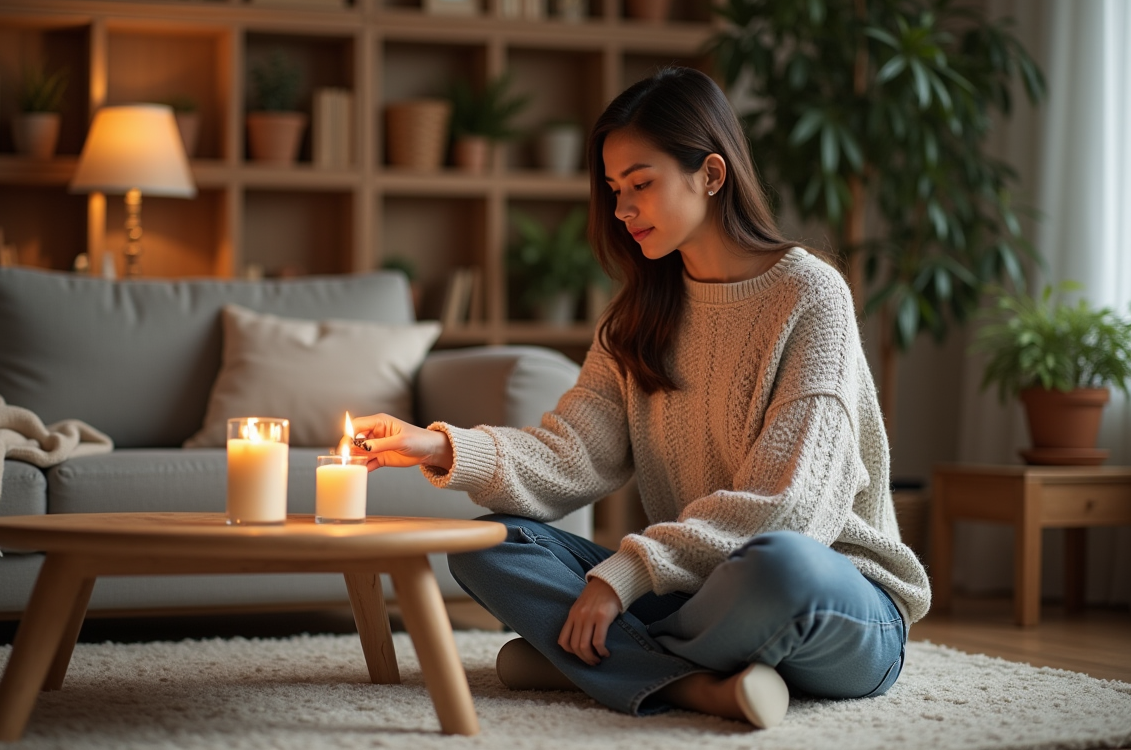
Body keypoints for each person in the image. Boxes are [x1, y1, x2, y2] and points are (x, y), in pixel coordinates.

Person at [352, 67, 931, 729]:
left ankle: (590, 662)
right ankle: (696, 684)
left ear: (711, 175)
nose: (623, 210)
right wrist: (437, 444)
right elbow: (571, 454)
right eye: (613, 189)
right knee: (485, 544)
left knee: (782, 565)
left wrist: (622, 576)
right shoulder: (638, 317)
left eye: (641, 184)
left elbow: (792, 505)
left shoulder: (811, 295)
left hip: (834, 604)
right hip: (697, 591)